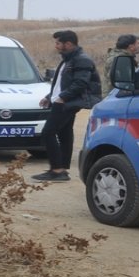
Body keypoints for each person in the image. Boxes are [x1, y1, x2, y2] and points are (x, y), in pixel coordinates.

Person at [34, 30, 101, 182]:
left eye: (58, 43)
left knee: (48, 133)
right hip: (61, 101)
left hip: (66, 103)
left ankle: (57, 170)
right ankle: (62, 169)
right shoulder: (68, 59)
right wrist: (49, 97)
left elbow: (80, 83)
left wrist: (62, 98)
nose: (56, 46)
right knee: (65, 134)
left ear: (68, 44)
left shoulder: (81, 60)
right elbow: (61, 84)